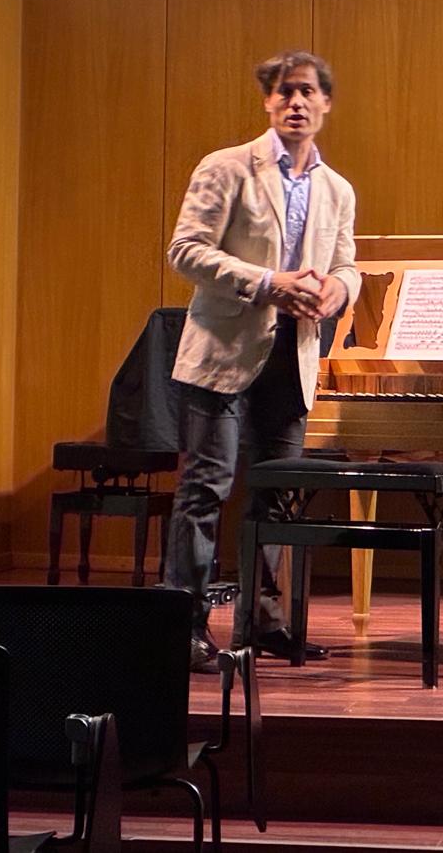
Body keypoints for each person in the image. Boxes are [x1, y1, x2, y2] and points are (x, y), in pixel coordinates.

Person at [165, 50, 360, 672]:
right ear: (267, 102)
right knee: (206, 488)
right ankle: (182, 628)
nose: (295, 102)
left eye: (307, 92)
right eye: (284, 92)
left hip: (292, 354)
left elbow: (347, 264)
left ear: (326, 103)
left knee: (277, 496)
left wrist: (338, 290)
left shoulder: (337, 189)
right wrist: (269, 282)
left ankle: (264, 624)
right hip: (223, 351)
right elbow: (185, 250)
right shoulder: (226, 166)